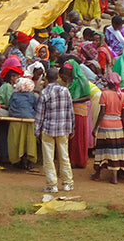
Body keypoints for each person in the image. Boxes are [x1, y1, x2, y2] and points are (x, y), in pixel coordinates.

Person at [36, 66, 75, 195]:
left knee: (48, 157)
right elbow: (70, 111)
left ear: (46, 78)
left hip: (48, 128)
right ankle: (67, 183)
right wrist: (72, 127)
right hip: (63, 128)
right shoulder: (65, 91)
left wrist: (37, 131)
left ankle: (52, 184)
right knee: (64, 155)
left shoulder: (45, 93)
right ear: (57, 77)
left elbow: (40, 114)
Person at [91, 73, 124, 183]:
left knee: (102, 149)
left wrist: (95, 127)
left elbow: (102, 112)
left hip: (105, 125)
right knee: (115, 152)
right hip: (118, 126)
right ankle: (114, 177)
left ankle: (97, 174)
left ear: (108, 82)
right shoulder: (123, 95)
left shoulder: (105, 94)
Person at [7, 76, 39, 169]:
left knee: (15, 142)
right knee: (29, 142)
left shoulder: (14, 95)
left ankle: (17, 161)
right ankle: (29, 162)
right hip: (29, 121)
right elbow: (37, 109)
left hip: (15, 120)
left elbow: (11, 106)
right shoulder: (33, 96)